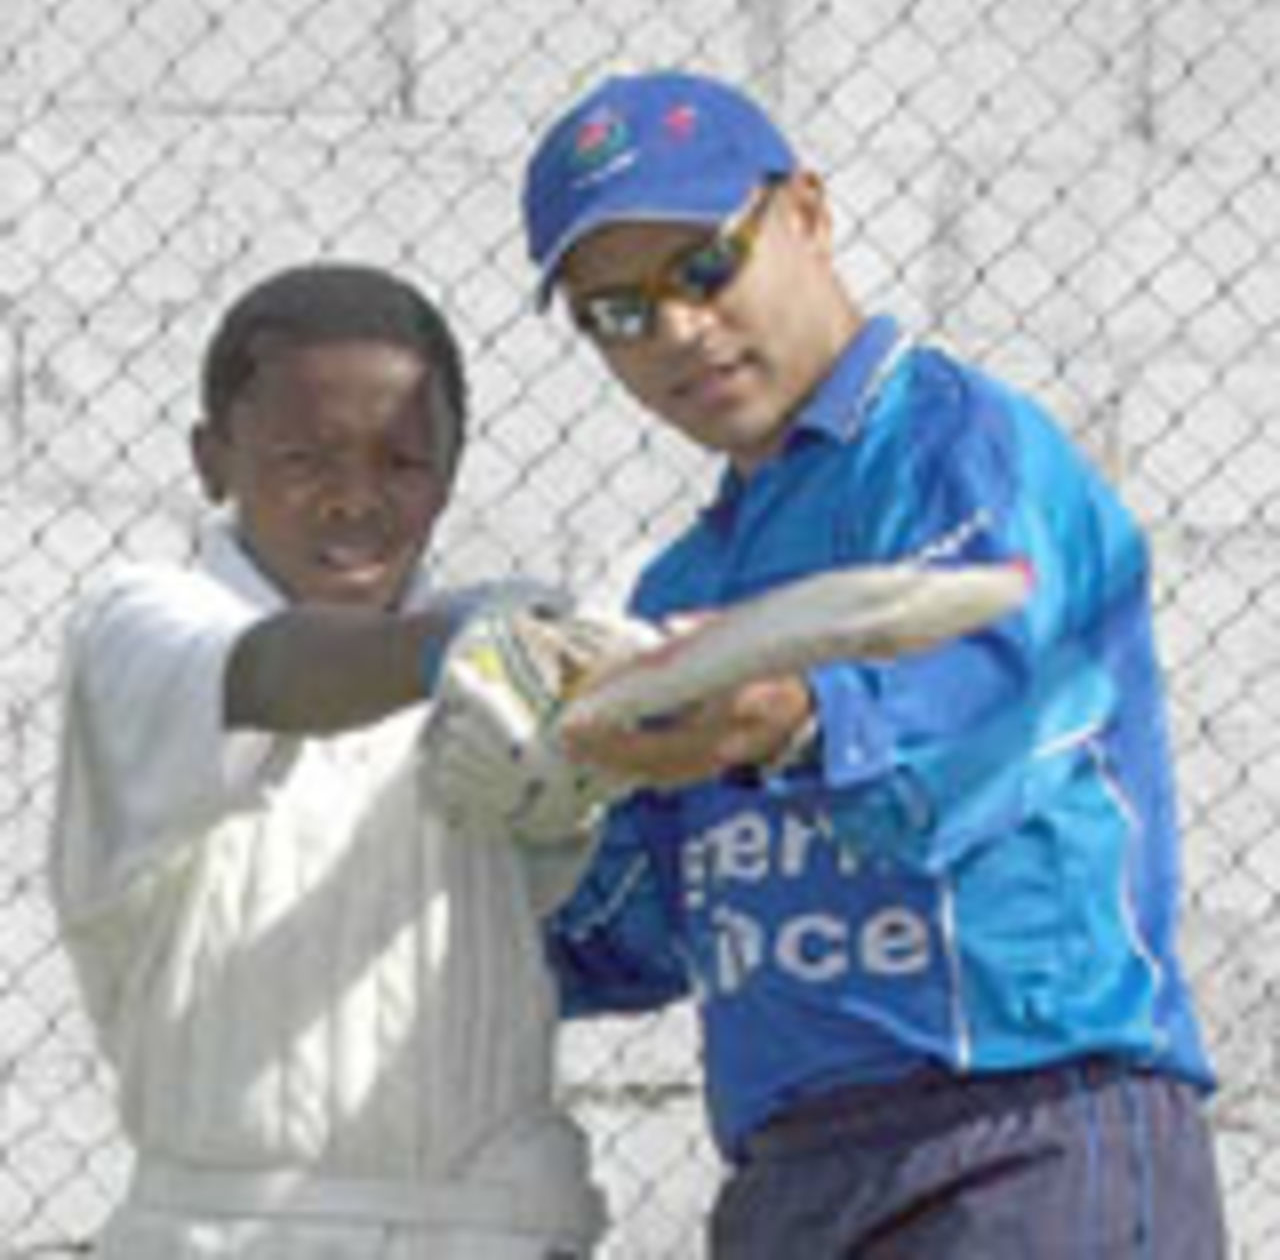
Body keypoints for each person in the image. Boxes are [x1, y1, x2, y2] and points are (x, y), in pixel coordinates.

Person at [514, 70, 1228, 1258]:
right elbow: (647, 926)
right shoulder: (679, 591)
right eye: (618, 314)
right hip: (793, 1174)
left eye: (703, 266)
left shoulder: (958, 450)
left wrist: (786, 721)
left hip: (1024, 1134)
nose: (679, 330)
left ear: (806, 212)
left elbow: (983, 732)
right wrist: (492, 840)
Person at [47, 262, 608, 1259]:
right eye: (306, 458)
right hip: (226, 1233)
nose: (356, 500)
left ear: (450, 470)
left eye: (400, 464)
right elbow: (281, 671)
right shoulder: (145, 625)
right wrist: (457, 649)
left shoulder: (520, 648)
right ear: (211, 459)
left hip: (495, 1229)